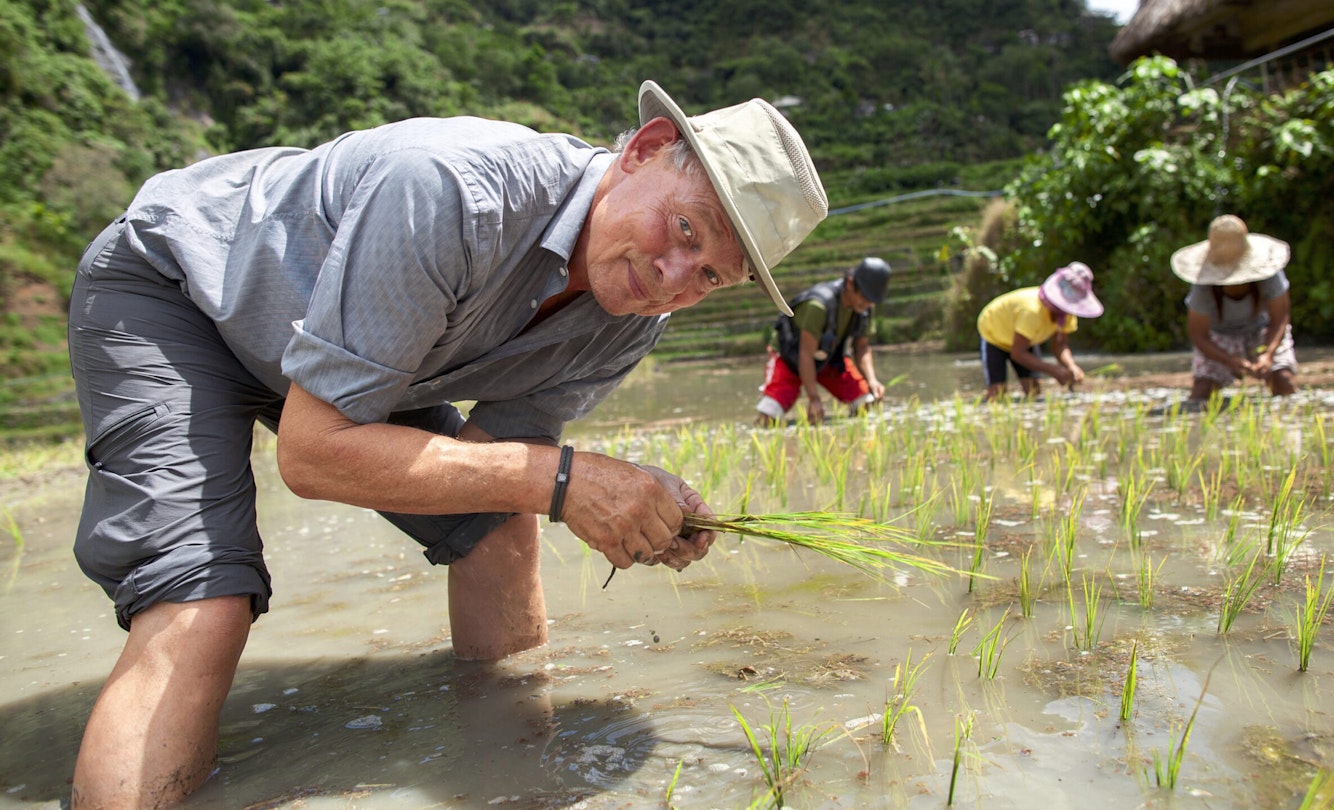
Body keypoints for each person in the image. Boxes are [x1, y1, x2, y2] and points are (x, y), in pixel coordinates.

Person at [65, 79, 827, 809]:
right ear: (645, 150)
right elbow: (313, 454)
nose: (671, 277)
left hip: (344, 365)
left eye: (710, 276)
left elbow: (503, 471)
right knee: (205, 600)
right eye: (684, 230)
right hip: (183, 295)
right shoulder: (455, 192)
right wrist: (571, 482)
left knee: (497, 532)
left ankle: (515, 773)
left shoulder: (628, 320)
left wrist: (632, 507)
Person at [1171, 214, 1297, 402]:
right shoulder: (1203, 286)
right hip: (1219, 337)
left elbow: (1280, 318)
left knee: (1284, 383)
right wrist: (1230, 361)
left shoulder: (1270, 275)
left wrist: (1267, 354)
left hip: (1262, 331)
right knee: (1201, 395)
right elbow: (1198, 335)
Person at [754, 257, 891, 426]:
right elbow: (805, 355)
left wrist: (872, 380)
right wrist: (814, 399)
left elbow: (861, 347)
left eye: (872, 300)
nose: (868, 303)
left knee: (866, 402)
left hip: (828, 358)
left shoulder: (865, 308)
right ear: (850, 284)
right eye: (864, 297)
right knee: (768, 418)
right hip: (791, 358)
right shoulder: (817, 306)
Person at [976, 261, 1104, 400]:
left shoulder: (1067, 314)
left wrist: (1070, 366)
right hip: (995, 333)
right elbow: (1018, 353)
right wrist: (1055, 371)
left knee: (1033, 391)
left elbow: (1059, 346)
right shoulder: (1032, 311)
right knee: (997, 393)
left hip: (1025, 339)